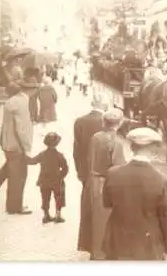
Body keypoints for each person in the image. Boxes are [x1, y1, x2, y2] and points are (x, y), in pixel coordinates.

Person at [102, 127, 167, 261]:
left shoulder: (112, 173)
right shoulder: (161, 181)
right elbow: (166, 217)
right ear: (154, 150)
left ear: (131, 148)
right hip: (147, 245)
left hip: (117, 241)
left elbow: (107, 203)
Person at [81, 108, 127, 260]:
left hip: (92, 181)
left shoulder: (95, 137)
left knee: (93, 218)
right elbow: (117, 168)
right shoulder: (116, 143)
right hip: (106, 183)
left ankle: (94, 251)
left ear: (103, 122)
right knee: (105, 219)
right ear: (119, 124)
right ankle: (103, 253)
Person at [0, 78, 39, 214]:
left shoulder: (13, 100)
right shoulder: (22, 103)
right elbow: (22, 128)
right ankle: (14, 207)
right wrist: (26, 148)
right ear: (32, 90)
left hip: (7, 142)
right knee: (18, 176)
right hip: (16, 146)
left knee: (7, 171)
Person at [75, 93, 109, 254]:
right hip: (104, 173)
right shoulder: (107, 123)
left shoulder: (80, 121)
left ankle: (87, 242)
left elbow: (76, 150)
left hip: (86, 172)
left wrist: (80, 171)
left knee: (87, 206)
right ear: (104, 106)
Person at [27, 132, 68, 223]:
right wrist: (61, 176)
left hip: (44, 180)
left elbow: (33, 161)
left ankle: (46, 215)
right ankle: (58, 215)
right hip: (56, 181)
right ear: (57, 143)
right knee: (59, 197)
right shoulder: (59, 155)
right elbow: (65, 168)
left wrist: (24, 158)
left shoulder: (42, 154)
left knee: (45, 198)